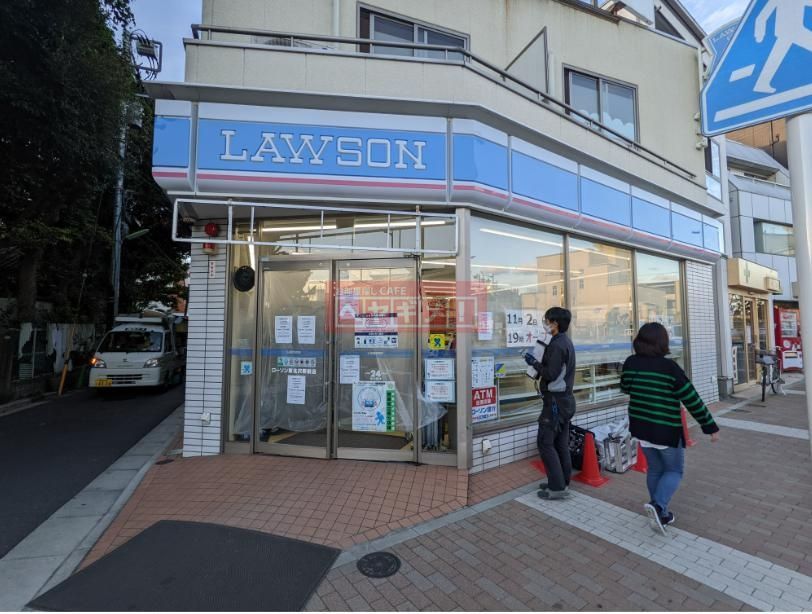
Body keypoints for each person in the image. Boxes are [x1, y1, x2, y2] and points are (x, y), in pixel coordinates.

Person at [620, 322, 720, 535]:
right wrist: (709, 425)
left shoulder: (630, 363)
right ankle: (658, 506)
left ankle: (660, 511)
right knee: (674, 470)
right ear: (662, 342)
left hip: (641, 427)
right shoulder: (669, 368)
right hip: (665, 429)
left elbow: (625, 387)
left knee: (655, 469)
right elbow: (691, 398)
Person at [524, 307, 576, 500]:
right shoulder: (565, 342)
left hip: (555, 402)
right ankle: (562, 481)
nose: (545, 324)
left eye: (547, 321)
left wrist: (533, 362)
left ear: (555, 323)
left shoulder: (556, 345)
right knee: (560, 443)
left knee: (545, 442)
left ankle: (557, 488)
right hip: (565, 401)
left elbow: (550, 374)